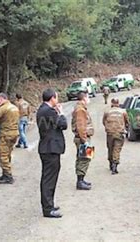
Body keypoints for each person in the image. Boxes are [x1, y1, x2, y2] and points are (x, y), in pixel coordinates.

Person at [36, 89, 67, 218]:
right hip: (50, 149)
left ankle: (49, 204)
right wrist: (61, 113)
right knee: (48, 179)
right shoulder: (48, 111)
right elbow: (63, 124)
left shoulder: (42, 109)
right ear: (52, 98)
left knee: (49, 177)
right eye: (56, 98)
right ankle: (47, 209)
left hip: (48, 148)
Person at [71, 91, 94, 190]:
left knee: (84, 158)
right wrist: (85, 141)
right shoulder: (80, 110)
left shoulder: (80, 108)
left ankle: (81, 179)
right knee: (84, 158)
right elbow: (81, 127)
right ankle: (80, 181)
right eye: (88, 97)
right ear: (84, 98)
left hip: (82, 138)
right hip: (82, 138)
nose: (89, 99)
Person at [103, 98, 129, 174]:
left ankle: (111, 163)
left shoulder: (107, 111)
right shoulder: (123, 111)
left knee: (110, 148)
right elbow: (127, 121)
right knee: (117, 149)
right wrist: (125, 127)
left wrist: (108, 127)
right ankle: (115, 166)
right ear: (118, 103)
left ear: (111, 103)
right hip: (119, 133)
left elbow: (104, 121)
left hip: (110, 133)